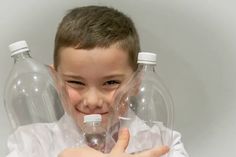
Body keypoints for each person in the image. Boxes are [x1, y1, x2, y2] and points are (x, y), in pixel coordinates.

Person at [6, 5, 189, 157]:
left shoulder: (163, 143)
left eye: (110, 83)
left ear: (137, 82)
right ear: (54, 79)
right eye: (76, 82)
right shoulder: (30, 143)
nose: (92, 102)